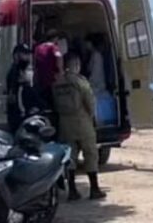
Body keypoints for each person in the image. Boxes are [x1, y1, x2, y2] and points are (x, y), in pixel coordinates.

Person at [52, 51, 106, 201]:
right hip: (82, 122)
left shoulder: (57, 83)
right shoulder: (80, 81)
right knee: (90, 154)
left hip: (65, 124)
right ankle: (94, 189)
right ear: (76, 65)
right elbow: (90, 102)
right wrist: (93, 118)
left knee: (71, 157)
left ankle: (73, 191)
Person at [6, 44, 41, 133]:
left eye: (28, 54)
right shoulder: (14, 73)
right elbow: (15, 96)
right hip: (20, 117)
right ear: (16, 56)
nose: (28, 57)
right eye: (24, 54)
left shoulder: (21, 70)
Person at [34, 30, 64, 100]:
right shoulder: (55, 48)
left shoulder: (38, 48)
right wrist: (61, 74)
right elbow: (59, 61)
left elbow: (36, 64)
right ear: (55, 38)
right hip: (52, 80)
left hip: (41, 80)